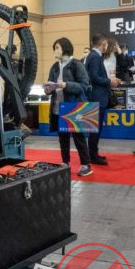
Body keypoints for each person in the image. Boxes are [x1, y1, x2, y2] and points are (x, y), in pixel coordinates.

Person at [44, 37, 93, 176]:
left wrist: (67, 85)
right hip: (58, 106)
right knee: (63, 137)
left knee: (79, 137)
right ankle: (65, 162)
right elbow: (51, 83)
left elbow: (84, 86)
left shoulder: (77, 64)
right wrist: (48, 89)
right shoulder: (55, 66)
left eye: (57, 48)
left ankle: (86, 164)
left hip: (74, 106)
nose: (55, 51)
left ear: (65, 48)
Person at [85, 34, 120, 165]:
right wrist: (109, 82)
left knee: (96, 128)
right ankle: (93, 155)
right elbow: (94, 77)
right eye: (105, 44)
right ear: (102, 43)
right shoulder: (95, 56)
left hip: (97, 96)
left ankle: (93, 153)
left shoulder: (93, 55)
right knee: (96, 128)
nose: (107, 46)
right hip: (97, 97)